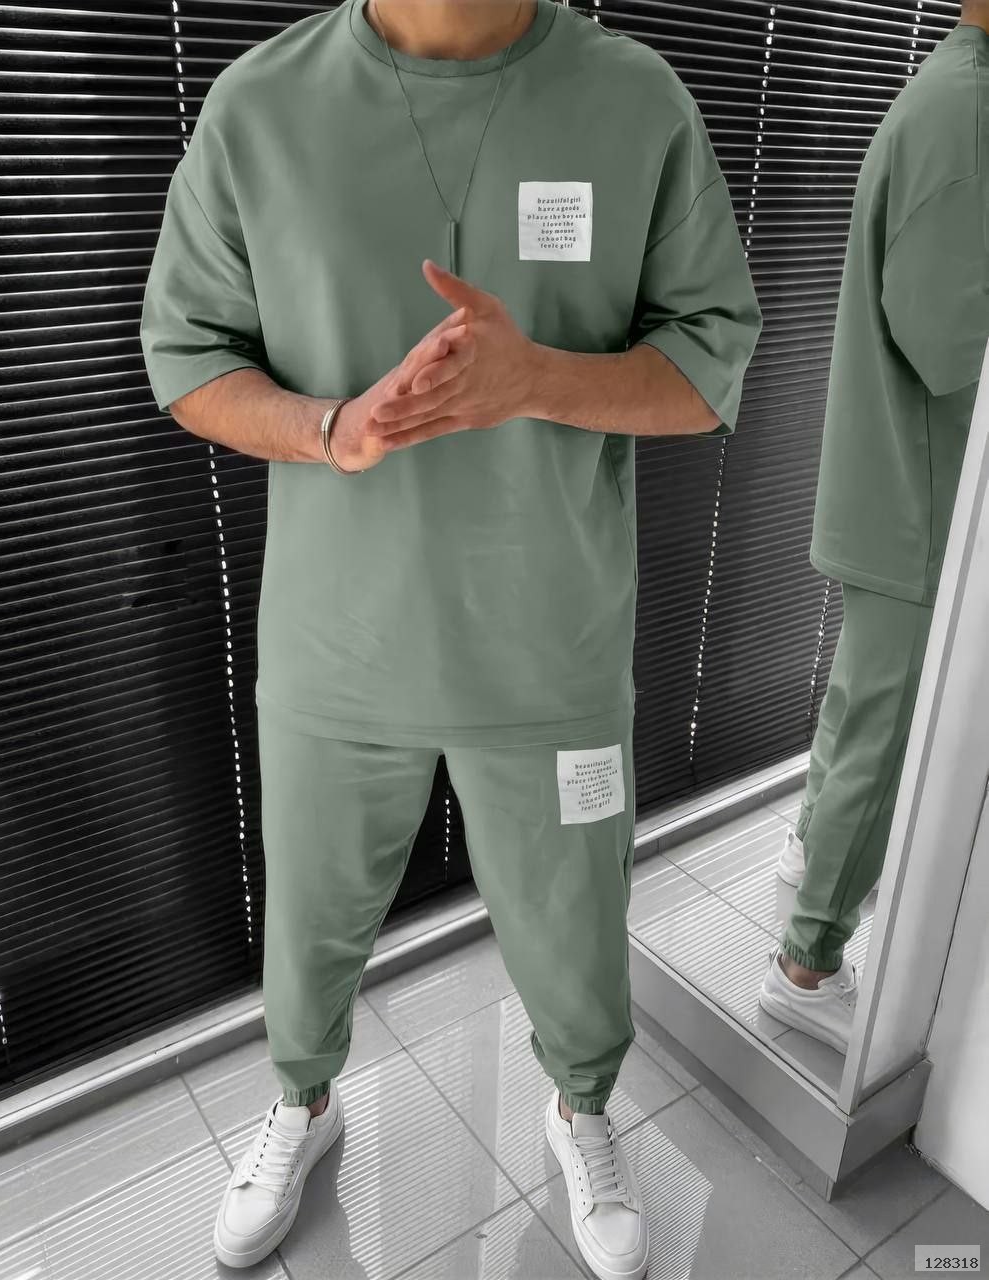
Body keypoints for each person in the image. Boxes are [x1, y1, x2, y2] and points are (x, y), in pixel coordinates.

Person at [140, 0, 761, 1275]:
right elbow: (186, 354)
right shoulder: (260, 106)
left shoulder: (633, 100)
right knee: (310, 911)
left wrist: (535, 378)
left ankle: (580, 1108)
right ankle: (302, 1102)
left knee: (574, 915)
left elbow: (709, 366)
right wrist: (330, 429)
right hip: (337, 635)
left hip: (548, 638)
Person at [759, 3, 989, 1056]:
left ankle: (807, 859)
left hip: (894, 480)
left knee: (860, 709)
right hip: (918, 496)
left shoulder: (949, 91)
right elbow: (946, 343)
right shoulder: (966, 108)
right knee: (884, 734)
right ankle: (806, 967)